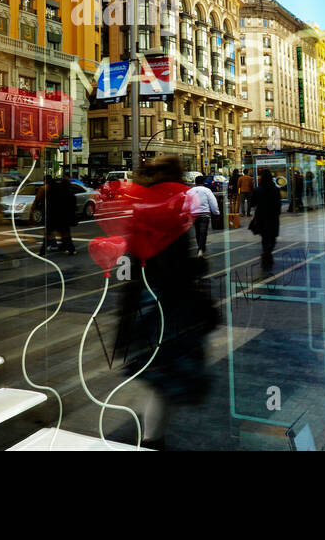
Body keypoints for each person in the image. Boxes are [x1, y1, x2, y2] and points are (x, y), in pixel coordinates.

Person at [111, 156, 212, 448]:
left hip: (147, 297)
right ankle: (152, 441)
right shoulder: (169, 205)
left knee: (160, 380)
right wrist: (197, 268)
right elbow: (171, 262)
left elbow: (134, 253)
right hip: (167, 304)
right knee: (165, 380)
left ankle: (153, 437)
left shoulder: (144, 203)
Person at [250, 171, 282, 272]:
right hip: (273, 216)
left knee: (264, 236)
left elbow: (252, 203)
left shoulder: (257, 189)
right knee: (272, 236)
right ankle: (268, 252)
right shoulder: (275, 189)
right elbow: (278, 203)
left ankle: (266, 252)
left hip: (261, 216)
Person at [186, 176, 219, 257]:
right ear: (203, 182)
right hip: (205, 214)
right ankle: (201, 249)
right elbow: (213, 202)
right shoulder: (207, 190)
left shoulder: (190, 191)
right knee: (203, 232)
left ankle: (200, 248)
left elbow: (186, 203)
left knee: (198, 232)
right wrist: (216, 212)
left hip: (194, 214)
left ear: (195, 182)